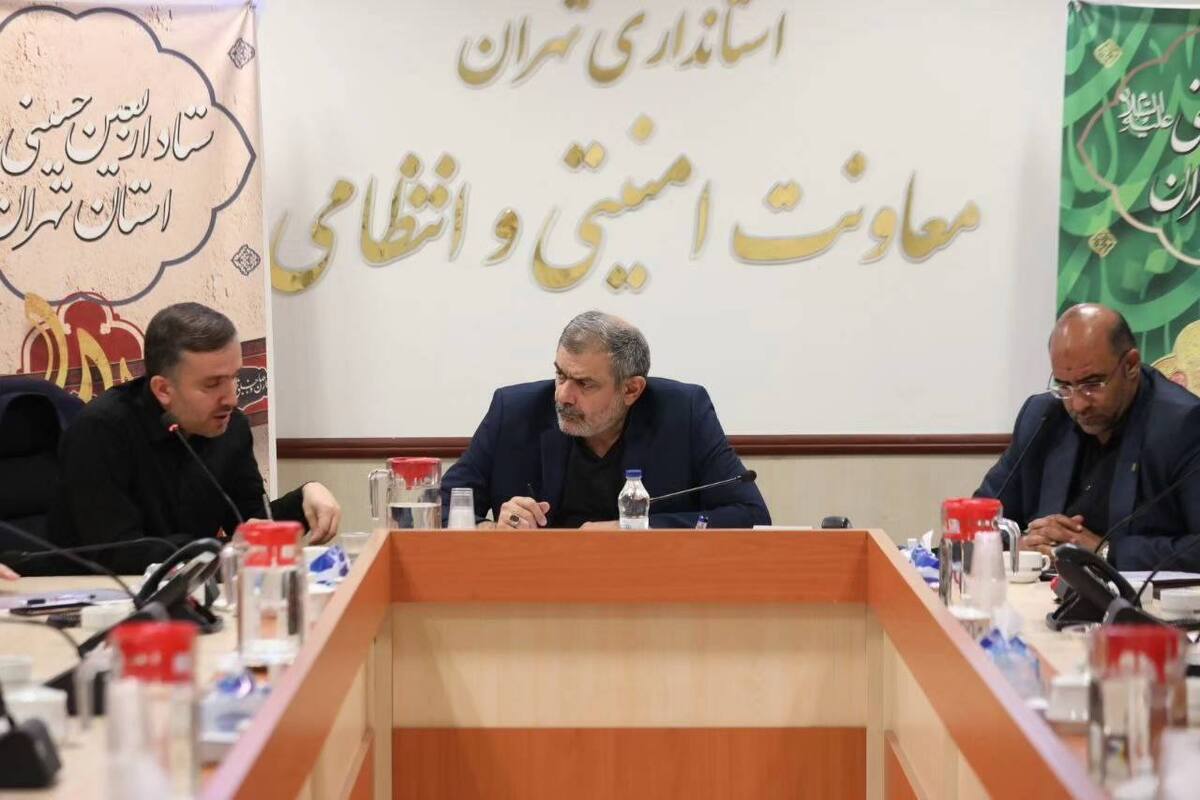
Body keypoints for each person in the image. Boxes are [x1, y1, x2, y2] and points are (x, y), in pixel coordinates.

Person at [47, 302, 340, 574]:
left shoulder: (230, 427)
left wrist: (303, 500)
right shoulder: (100, 430)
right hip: (86, 597)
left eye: (234, 377)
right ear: (163, 389)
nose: (231, 398)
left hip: (187, 591)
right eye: (213, 384)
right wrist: (225, 549)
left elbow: (249, 522)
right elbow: (120, 553)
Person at [441, 310, 770, 529]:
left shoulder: (683, 412)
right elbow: (442, 505)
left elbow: (750, 515)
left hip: (651, 592)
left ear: (631, 390)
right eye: (560, 375)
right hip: (537, 592)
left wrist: (634, 529)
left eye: (584, 384)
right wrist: (492, 529)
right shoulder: (513, 411)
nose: (563, 395)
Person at [976, 303, 1200, 570]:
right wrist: (1020, 547)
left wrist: (1104, 551)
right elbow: (979, 519)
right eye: (1064, 386)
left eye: (1092, 384)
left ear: (1130, 365)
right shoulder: (1042, 417)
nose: (1078, 404)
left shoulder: (1183, 425)